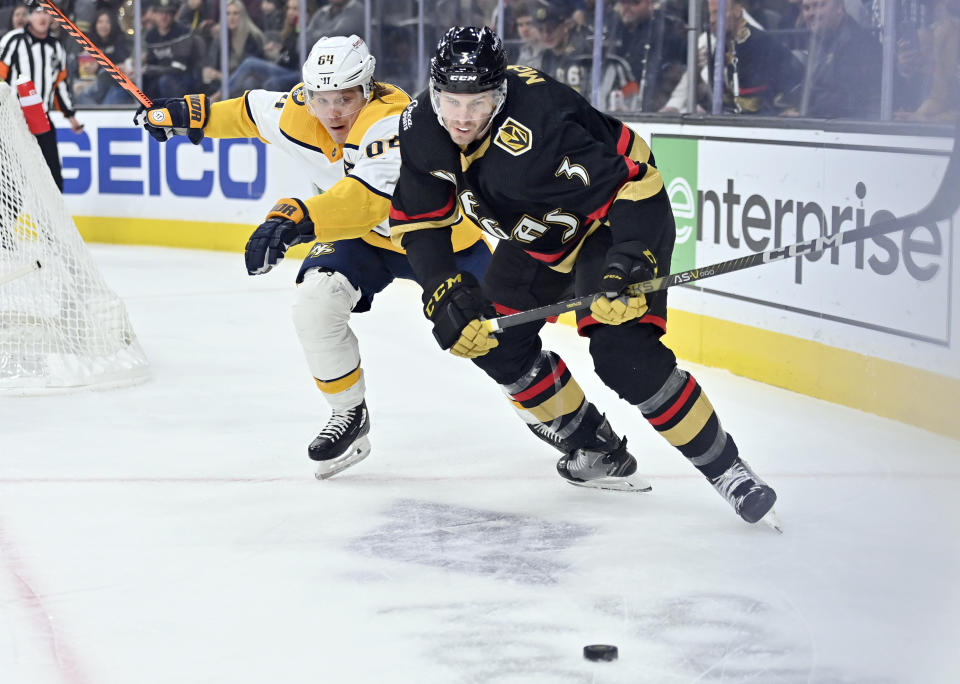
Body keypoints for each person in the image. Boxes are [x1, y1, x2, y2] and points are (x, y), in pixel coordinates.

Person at [389, 26, 778, 525]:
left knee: (624, 356)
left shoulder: (539, 127)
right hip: (537, 234)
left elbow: (637, 188)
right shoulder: (421, 125)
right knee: (492, 340)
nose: (463, 118)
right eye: (452, 101)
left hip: (612, 220)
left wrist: (632, 259)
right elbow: (420, 224)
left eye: (478, 102)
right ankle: (595, 447)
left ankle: (730, 472)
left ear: (500, 93)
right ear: (435, 91)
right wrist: (443, 288)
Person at [134, 35, 492, 479]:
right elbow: (248, 112)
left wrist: (298, 215)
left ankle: (568, 424)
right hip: (363, 242)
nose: (335, 111)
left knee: (498, 338)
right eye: (323, 99)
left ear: (369, 88)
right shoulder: (297, 111)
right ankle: (348, 414)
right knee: (315, 302)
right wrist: (192, 115)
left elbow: (366, 201)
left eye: (346, 97)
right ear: (307, 94)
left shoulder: (396, 122)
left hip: (439, 240)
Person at [0, 4, 83, 191]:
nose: (43, 16)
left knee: (53, 179)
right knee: (13, 181)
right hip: (14, 119)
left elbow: (59, 84)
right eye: (38, 12)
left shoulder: (56, 46)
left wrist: (70, 115)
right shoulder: (13, 40)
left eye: (46, 12)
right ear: (29, 17)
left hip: (42, 119)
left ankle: (50, 220)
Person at [780, 0, 881, 118]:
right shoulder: (818, 41)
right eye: (806, 8)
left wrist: (805, 114)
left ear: (839, 7)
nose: (811, 13)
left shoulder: (857, 44)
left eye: (819, 6)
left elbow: (847, 102)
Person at [143, 0, 205, 98]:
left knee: (165, 81)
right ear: (154, 14)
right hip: (160, 76)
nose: (164, 17)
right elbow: (151, 61)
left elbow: (179, 67)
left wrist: (150, 69)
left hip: (184, 77)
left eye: (168, 13)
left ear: (173, 15)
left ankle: (175, 110)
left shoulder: (182, 32)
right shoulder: (151, 36)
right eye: (160, 13)